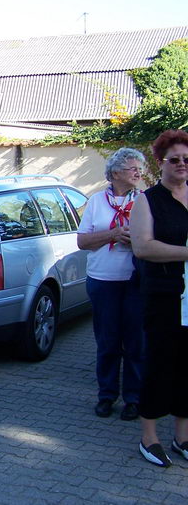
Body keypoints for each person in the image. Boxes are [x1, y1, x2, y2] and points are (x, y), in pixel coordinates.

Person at [130, 129, 188, 468]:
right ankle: (148, 436)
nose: (182, 165)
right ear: (160, 162)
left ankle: (182, 436)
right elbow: (142, 247)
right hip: (164, 297)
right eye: (174, 159)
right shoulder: (147, 200)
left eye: (186, 159)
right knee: (159, 365)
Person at [77, 147, 146, 421]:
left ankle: (134, 398)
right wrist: (114, 234)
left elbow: (154, 238)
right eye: (132, 167)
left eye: (140, 167)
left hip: (135, 280)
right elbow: (83, 242)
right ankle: (106, 395)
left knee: (136, 342)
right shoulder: (96, 201)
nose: (138, 172)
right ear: (115, 172)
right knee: (107, 341)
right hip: (103, 281)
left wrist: (136, 239)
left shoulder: (144, 200)